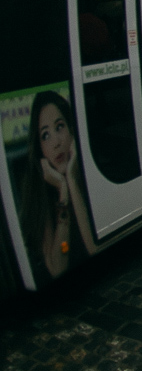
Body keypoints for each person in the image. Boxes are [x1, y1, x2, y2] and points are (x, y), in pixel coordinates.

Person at [19, 91, 97, 283]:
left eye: (59, 127)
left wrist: (71, 179)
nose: (56, 142)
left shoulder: (90, 171)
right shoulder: (41, 192)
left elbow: (95, 248)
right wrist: (63, 191)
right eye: (45, 135)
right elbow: (57, 268)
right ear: (40, 149)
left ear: (71, 129)